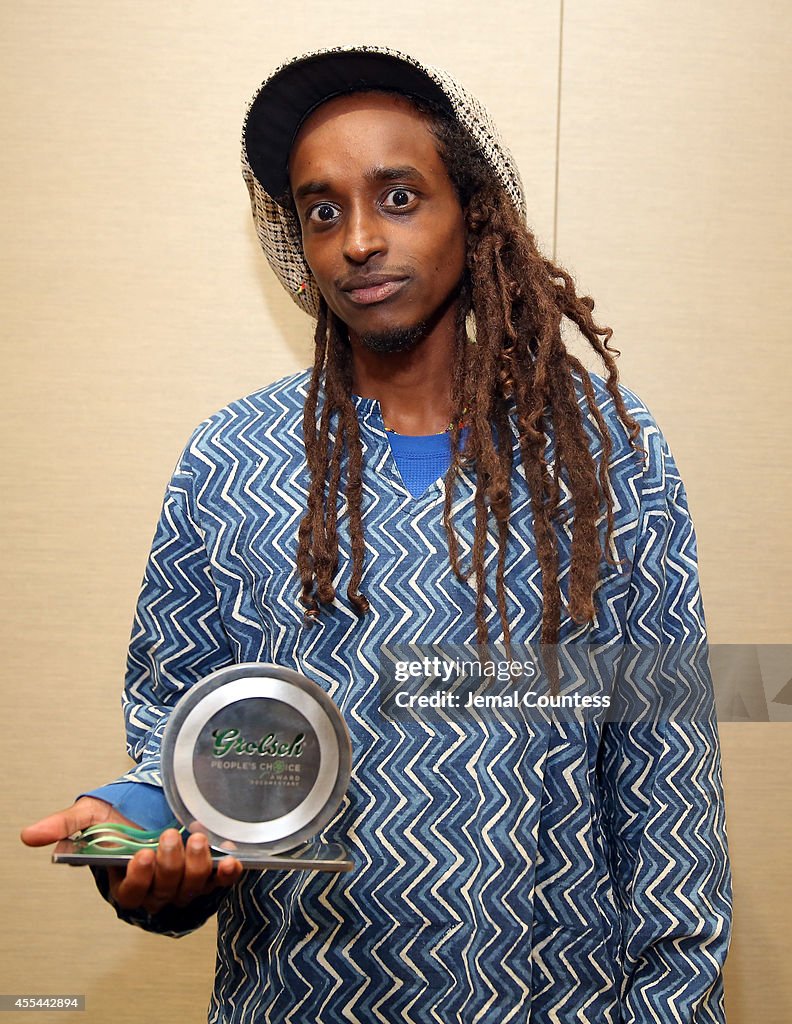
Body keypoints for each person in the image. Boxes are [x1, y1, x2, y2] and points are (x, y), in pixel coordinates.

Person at [22, 45, 732, 1023]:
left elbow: (670, 797)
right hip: (296, 995)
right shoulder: (226, 462)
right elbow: (187, 748)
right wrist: (132, 833)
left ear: (471, 212)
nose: (358, 238)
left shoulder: (606, 455)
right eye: (323, 209)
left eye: (398, 197)